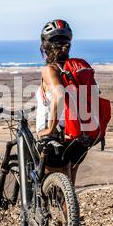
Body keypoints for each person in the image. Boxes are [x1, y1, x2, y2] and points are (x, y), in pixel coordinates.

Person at [36, 19, 89, 185]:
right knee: (68, 186)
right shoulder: (77, 69)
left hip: (56, 137)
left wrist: (50, 128)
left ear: (45, 47)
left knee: (46, 184)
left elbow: (59, 94)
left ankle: (42, 209)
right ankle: (71, 210)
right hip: (80, 136)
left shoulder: (49, 70)